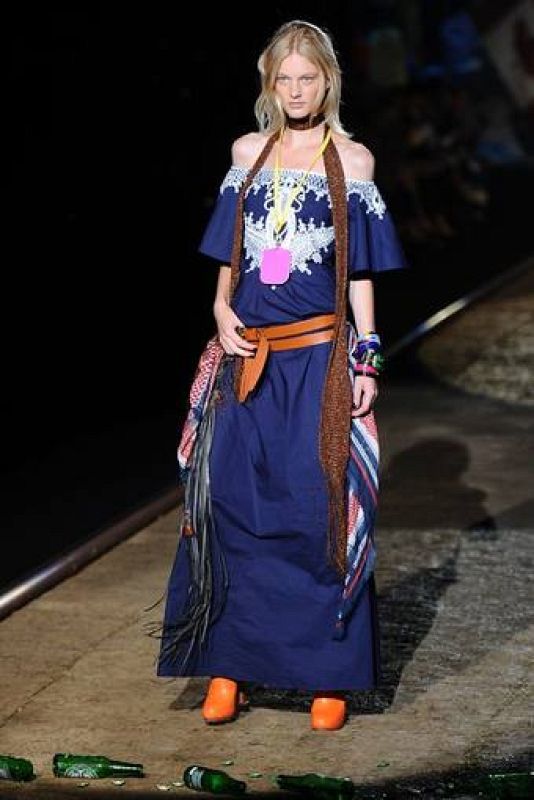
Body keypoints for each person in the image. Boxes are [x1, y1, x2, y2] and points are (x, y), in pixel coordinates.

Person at [154, 19, 407, 731]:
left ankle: (328, 674)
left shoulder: (353, 161)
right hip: (246, 357)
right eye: (284, 79)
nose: (296, 90)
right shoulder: (248, 152)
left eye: (308, 78)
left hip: (317, 361)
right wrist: (219, 307)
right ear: (270, 85)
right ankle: (227, 667)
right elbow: (230, 250)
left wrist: (367, 355)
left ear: (328, 82)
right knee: (230, 506)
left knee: (316, 508)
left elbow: (359, 270)